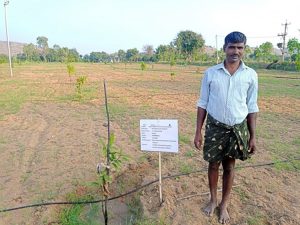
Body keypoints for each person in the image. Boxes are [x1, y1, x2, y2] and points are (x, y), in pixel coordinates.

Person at [194, 31, 259, 224]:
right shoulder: (211, 73)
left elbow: (252, 107)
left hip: (237, 128)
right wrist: (198, 131)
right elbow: (202, 103)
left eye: (240, 47)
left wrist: (253, 136)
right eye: (232, 47)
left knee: (230, 166)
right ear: (224, 48)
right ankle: (213, 200)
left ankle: (224, 204)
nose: (235, 51)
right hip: (215, 127)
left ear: (244, 50)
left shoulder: (251, 75)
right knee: (213, 164)